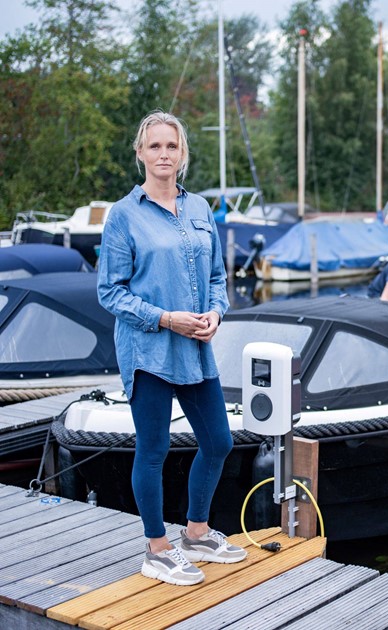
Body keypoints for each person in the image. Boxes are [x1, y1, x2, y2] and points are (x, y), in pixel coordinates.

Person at [97, 111, 246, 586]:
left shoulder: (201, 208)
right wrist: (165, 318)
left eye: (172, 147)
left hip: (196, 350)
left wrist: (217, 314)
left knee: (219, 441)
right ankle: (157, 549)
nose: (164, 154)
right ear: (140, 153)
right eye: (155, 146)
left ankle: (197, 533)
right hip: (149, 350)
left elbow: (219, 279)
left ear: (183, 155)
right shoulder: (124, 215)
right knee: (155, 448)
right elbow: (110, 291)